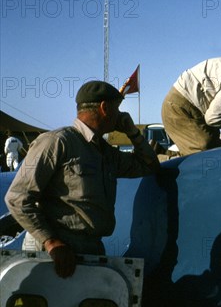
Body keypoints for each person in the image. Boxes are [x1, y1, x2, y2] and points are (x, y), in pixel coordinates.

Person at [5, 81, 160, 278]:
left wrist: (133, 133)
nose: (121, 115)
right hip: (54, 252)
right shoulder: (57, 142)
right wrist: (51, 242)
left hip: (90, 249)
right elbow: (17, 197)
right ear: (104, 108)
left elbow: (149, 165)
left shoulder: (105, 153)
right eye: (117, 108)